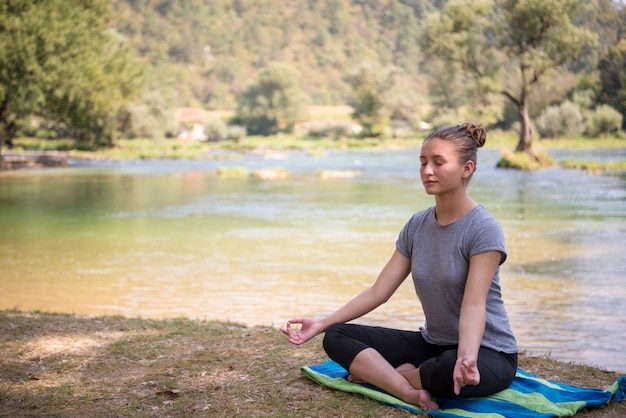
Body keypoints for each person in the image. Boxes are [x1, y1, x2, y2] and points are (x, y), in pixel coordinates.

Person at [282, 123, 518, 411]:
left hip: (488, 352)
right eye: (423, 162)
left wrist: (466, 357)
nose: (427, 171)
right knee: (337, 336)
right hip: (433, 344)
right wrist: (321, 323)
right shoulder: (417, 225)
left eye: (438, 162)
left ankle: (393, 376)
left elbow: (473, 304)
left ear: (466, 169)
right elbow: (380, 290)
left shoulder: (483, 228)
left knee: (447, 372)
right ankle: (408, 391)